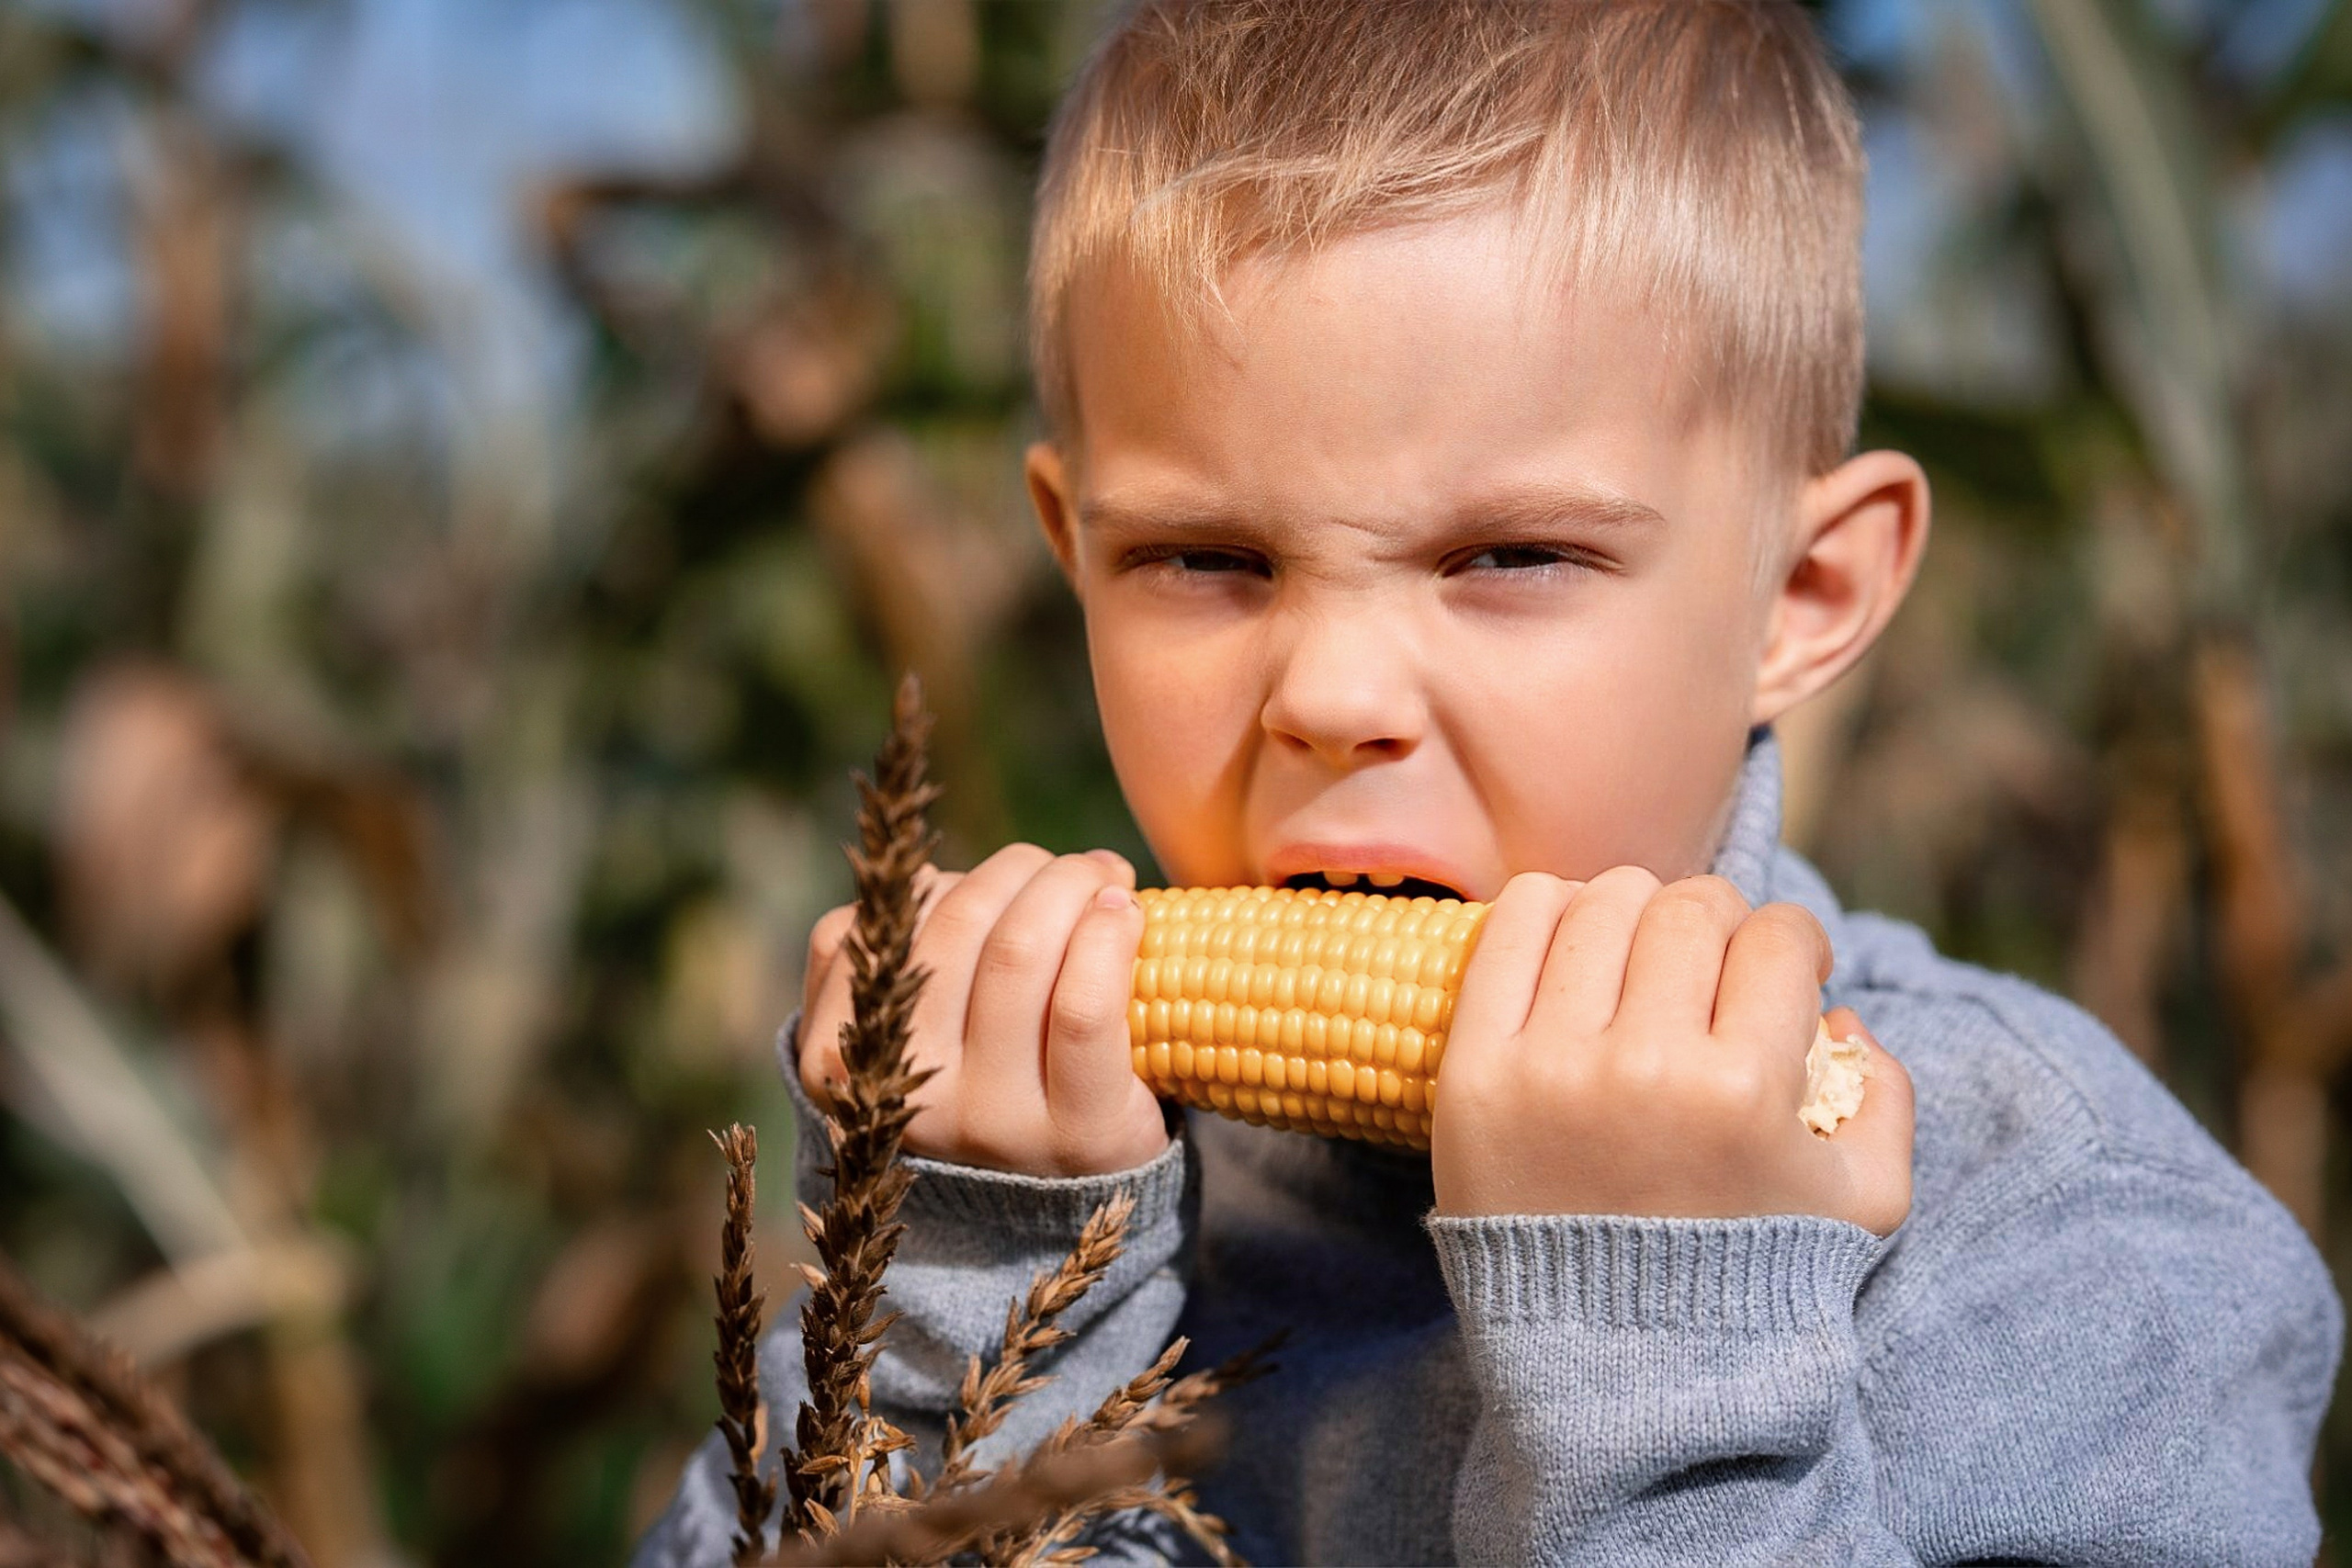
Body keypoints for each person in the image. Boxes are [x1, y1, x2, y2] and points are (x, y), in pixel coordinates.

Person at [637, 2, 2342, 1561]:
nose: (1331, 694)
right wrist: (972, 1341)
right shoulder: (988, 1185)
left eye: (1511, 554)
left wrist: (1671, 1360)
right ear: (1073, 556)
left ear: (1802, 598)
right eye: (1206, 558)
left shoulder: (2050, 1224)